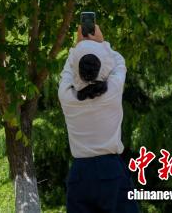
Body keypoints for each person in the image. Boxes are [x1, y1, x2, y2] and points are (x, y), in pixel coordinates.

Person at [58, 24, 139, 213]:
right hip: (110, 169)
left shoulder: (67, 96)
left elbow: (67, 71)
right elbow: (119, 62)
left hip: (80, 173)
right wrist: (102, 43)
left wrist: (78, 46)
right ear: (101, 66)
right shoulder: (113, 91)